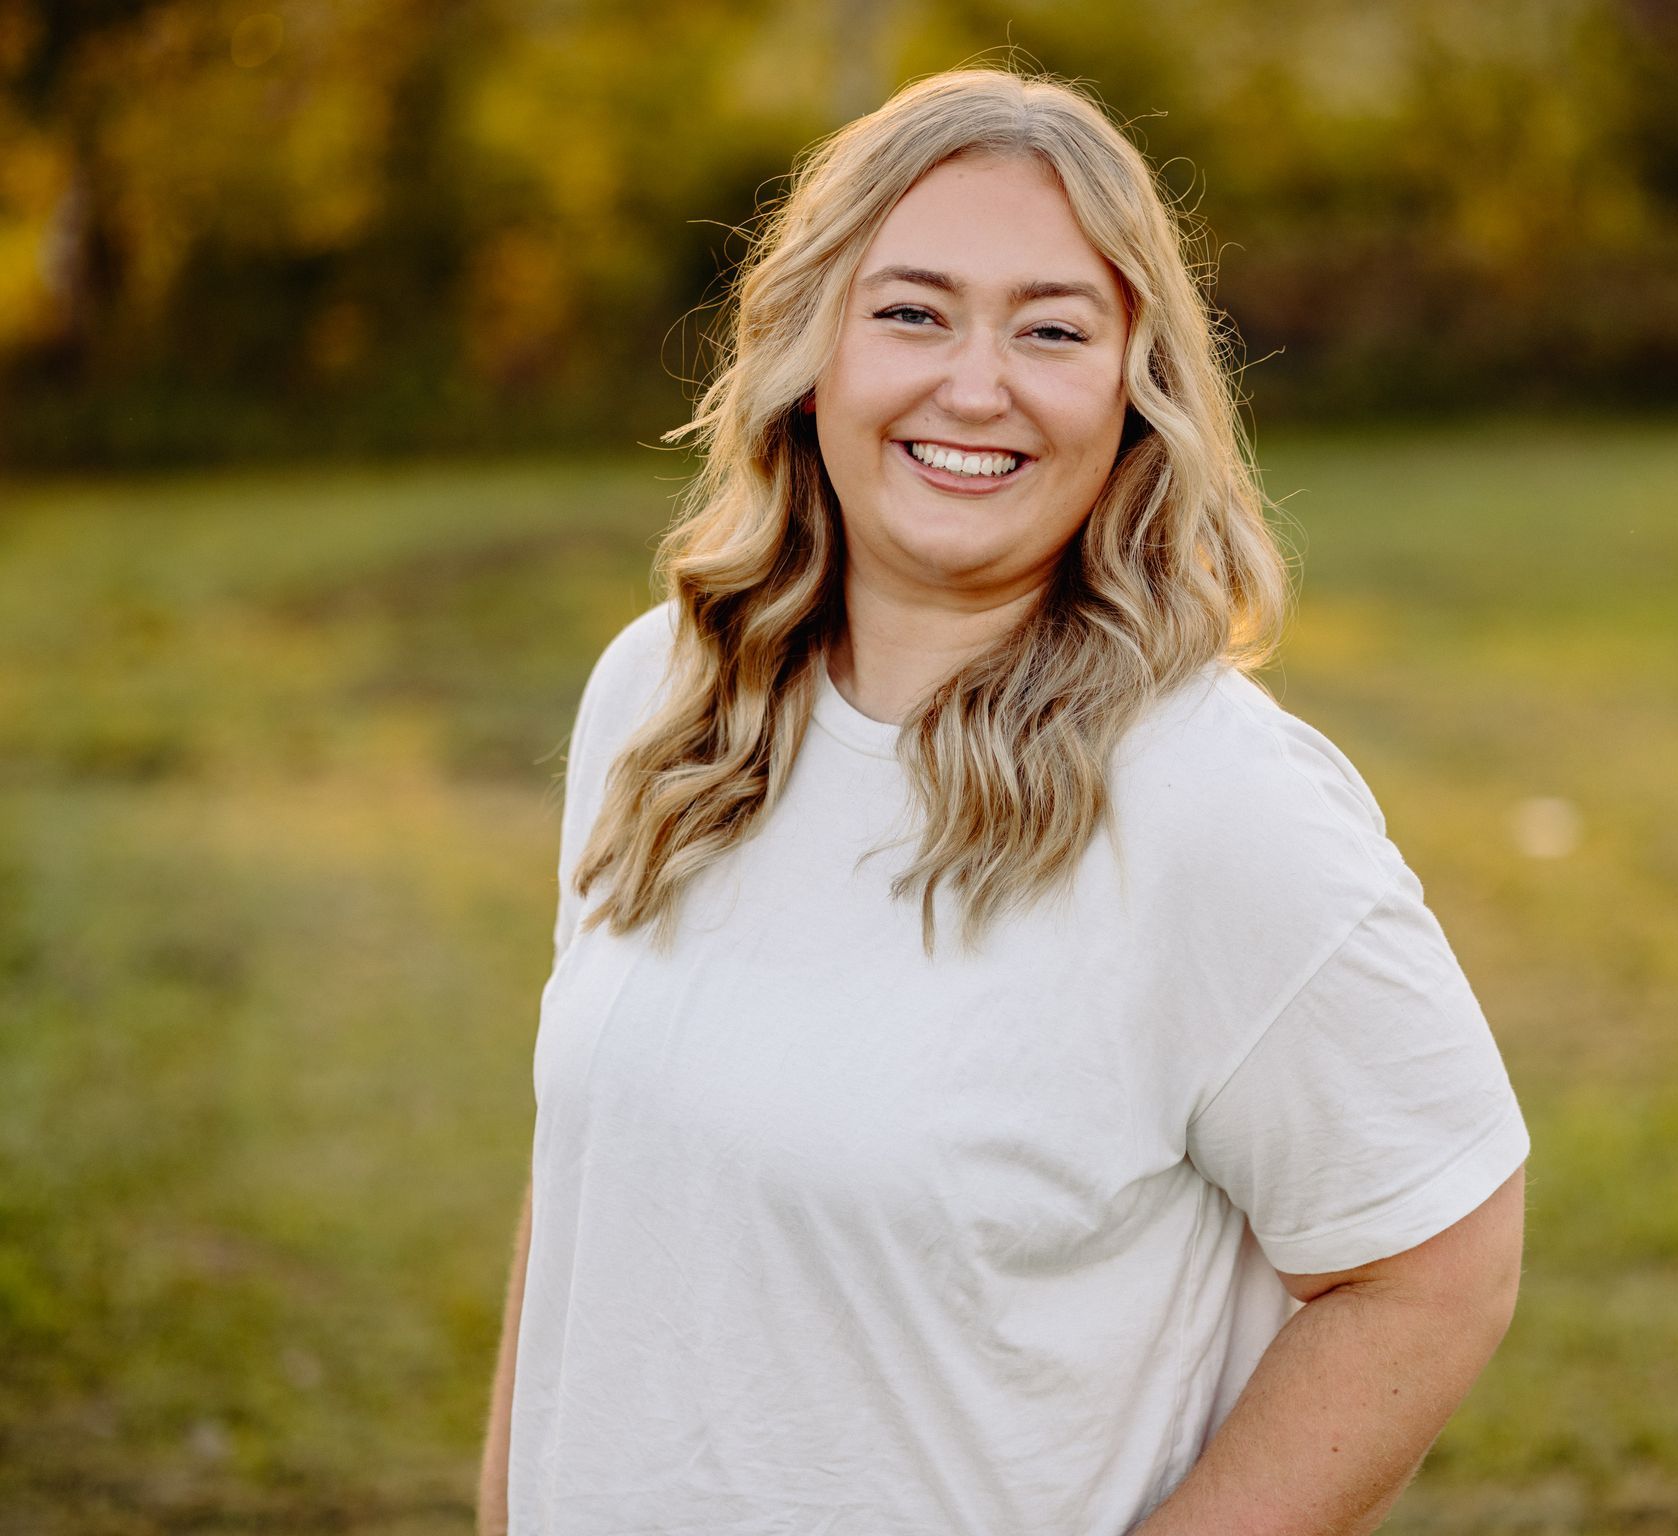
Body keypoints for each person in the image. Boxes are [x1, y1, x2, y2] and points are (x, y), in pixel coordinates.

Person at [477, 65, 1529, 1536]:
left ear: (1133, 384)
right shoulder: (660, 700)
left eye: (1051, 329)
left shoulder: (1217, 805)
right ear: (811, 344)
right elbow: (596, 1174)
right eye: (912, 311)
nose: (976, 387)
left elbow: (1438, 1268)